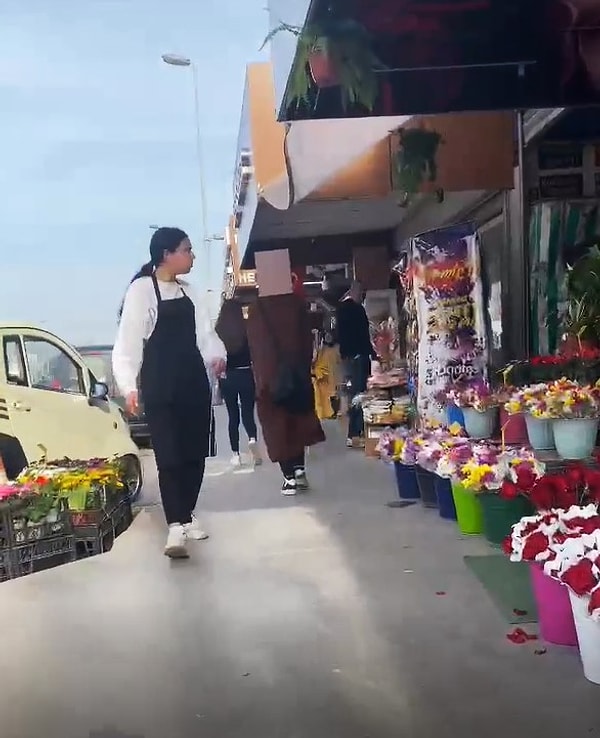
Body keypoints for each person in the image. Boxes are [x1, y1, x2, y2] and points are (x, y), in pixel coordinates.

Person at [112, 227, 226, 558]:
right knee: (169, 455)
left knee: (194, 453)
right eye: (187, 250)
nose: (192, 256)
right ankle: (175, 526)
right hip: (160, 384)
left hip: (193, 381)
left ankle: (187, 515)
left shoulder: (191, 293)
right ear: (167, 254)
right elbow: (128, 343)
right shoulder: (142, 291)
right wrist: (129, 386)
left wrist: (217, 356)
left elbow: (206, 335)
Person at [247, 286, 325, 496]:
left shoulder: (258, 310)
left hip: (271, 381)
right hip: (298, 375)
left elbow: (257, 347)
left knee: (277, 428)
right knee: (297, 422)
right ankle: (299, 470)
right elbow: (307, 340)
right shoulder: (295, 304)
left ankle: (288, 477)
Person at [214, 299, 262, 467]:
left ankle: (235, 455)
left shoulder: (219, 331)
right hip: (245, 373)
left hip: (228, 377)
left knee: (232, 416)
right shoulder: (247, 328)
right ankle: (252, 439)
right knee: (248, 413)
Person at [336, 280, 378, 448]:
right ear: (356, 292)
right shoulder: (357, 310)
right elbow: (363, 335)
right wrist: (373, 354)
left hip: (348, 357)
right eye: (361, 294)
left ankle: (354, 433)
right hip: (358, 357)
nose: (362, 297)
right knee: (360, 394)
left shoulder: (340, 310)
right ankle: (355, 433)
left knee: (354, 392)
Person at [311, 331, 341, 420]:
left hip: (323, 374)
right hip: (320, 374)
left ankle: (325, 413)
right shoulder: (329, 350)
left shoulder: (329, 350)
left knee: (323, 396)